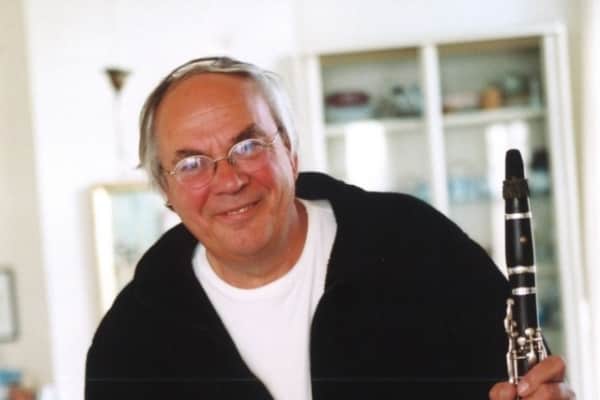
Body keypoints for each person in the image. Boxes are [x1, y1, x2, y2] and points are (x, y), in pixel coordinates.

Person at [85, 57, 574, 400]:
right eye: (192, 163)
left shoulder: (416, 242)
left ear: (290, 151)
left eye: (248, 146)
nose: (229, 181)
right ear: (166, 192)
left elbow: (531, 383)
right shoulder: (128, 345)